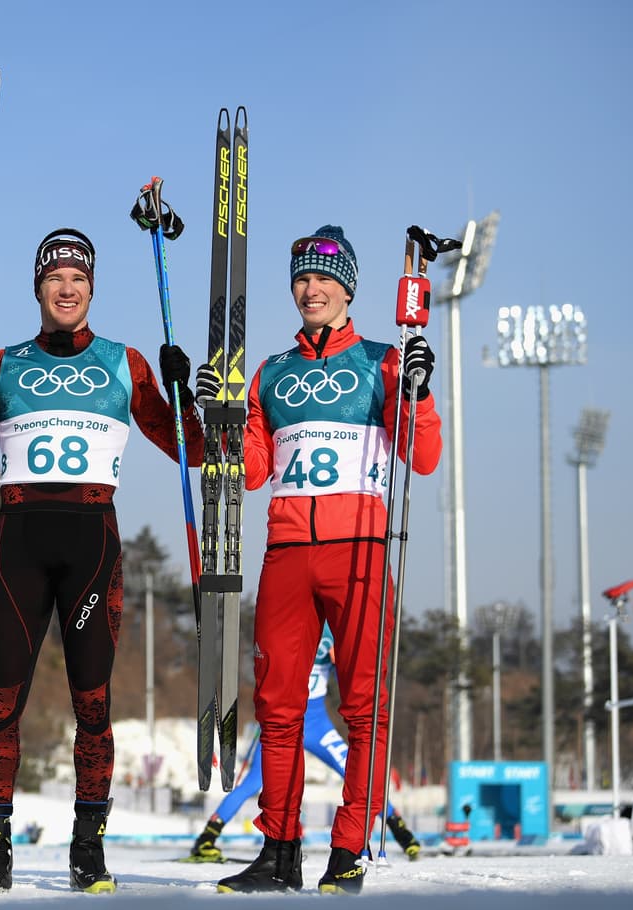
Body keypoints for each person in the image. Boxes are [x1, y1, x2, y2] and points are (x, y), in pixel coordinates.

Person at [0, 228, 206, 895]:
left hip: (92, 546)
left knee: (94, 704)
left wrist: (183, 393)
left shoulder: (123, 362)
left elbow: (191, 451)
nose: (66, 287)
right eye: (54, 277)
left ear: (91, 287)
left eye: (78, 277)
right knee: (0, 704)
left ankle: (89, 849)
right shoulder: (5, 364)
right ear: (38, 288)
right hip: (16, 543)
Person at [215, 226, 442, 895]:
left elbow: (422, 458)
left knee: (366, 708)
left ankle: (348, 852)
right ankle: (278, 852)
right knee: (277, 709)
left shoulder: (382, 361)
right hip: (286, 554)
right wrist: (220, 419)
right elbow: (249, 472)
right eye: (301, 279)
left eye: (324, 279)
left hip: (360, 552)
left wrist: (419, 392)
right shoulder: (271, 373)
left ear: (348, 287)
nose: (311, 290)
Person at [190, 624, 421, 865]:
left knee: (359, 773)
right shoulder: (297, 620)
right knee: (253, 782)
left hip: (317, 725)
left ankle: (402, 833)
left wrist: (341, 658)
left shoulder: (334, 627)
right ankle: (207, 839)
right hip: (285, 722)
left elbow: (349, 675)